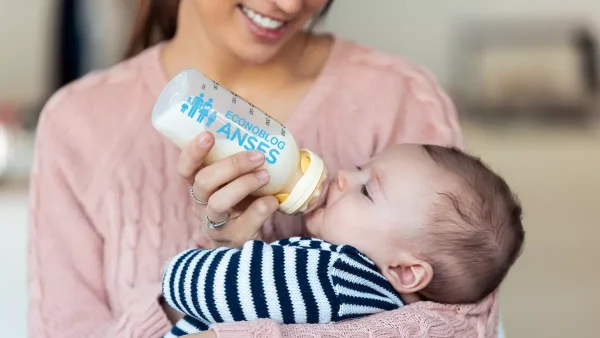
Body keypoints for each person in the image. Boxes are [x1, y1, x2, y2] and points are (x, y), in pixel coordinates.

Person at [26, 0, 483, 337]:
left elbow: (461, 326)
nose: (288, 5)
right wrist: (213, 256)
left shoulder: (401, 99)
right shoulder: (77, 124)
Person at [162, 144, 525, 337]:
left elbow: (192, 286)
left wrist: (187, 265)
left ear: (406, 271)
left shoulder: (332, 275)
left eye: (366, 190)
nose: (340, 177)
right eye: (357, 168)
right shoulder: (377, 301)